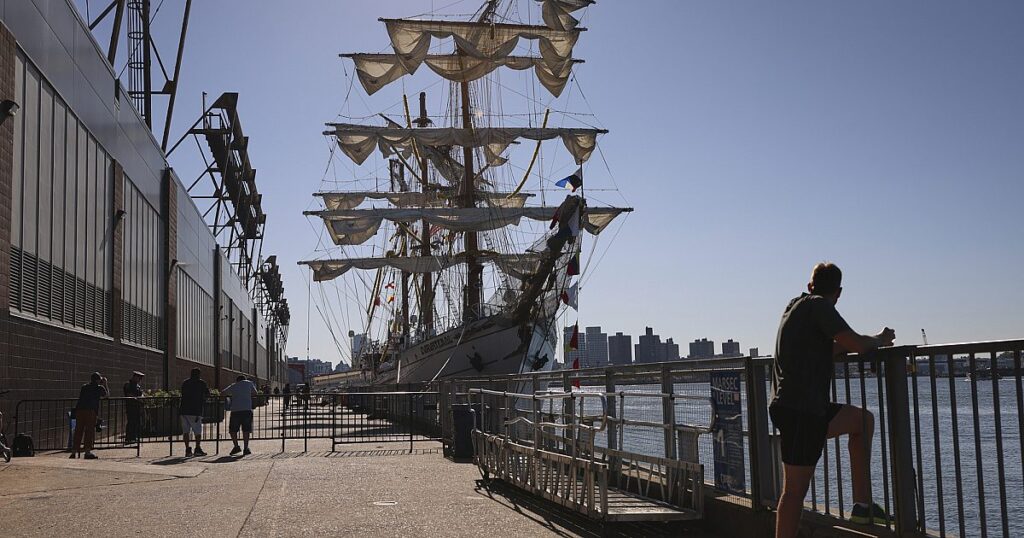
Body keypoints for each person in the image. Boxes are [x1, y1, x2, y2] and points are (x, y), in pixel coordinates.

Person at [771, 262, 896, 537]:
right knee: (793, 492)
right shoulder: (820, 306)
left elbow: (825, 347)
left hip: (795, 406)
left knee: (862, 420)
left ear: (810, 285)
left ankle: (862, 505)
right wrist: (880, 339)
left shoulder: (795, 306)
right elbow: (858, 344)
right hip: (802, 410)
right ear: (838, 292)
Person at [71, 373, 108, 459]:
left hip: (80, 410)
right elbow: (107, 395)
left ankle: (74, 452)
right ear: (98, 380)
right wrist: (105, 384)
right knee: (89, 431)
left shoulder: (84, 387)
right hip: (91, 411)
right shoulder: (99, 388)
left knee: (78, 431)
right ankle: (87, 452)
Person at [222, 375, 258, 456]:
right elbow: (255, 393)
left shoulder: (234, 385)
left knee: (233, 430)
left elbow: (223, 392)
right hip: (247, 409)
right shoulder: (249, 383)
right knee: (246, 430)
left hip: (235, 410)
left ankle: (236, 446)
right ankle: (246, 448)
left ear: (237, 380)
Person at [179, 368, 210, 457]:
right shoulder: (201, 383)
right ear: (199, 375)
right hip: (195, 410)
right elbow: (207, 394)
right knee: (197, 431)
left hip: (184, 410)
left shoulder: (185, 382)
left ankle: (187, 449)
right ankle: (197, 448)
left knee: (186, 431)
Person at [122, 371, 144, 443]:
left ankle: (134, 437)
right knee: (131, 422)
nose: (140, 379)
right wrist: (137, 398)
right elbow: (129, 394)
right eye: (139, 378)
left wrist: (141, 398)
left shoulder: (137, 385)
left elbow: (141, 393)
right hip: (131, 406)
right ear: (135, 377)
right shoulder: (128, 384)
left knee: (136, 422)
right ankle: (129, 438)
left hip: (137, 406)